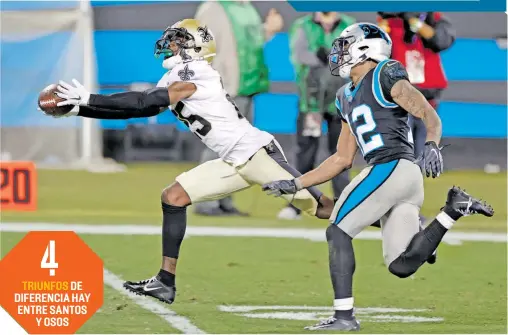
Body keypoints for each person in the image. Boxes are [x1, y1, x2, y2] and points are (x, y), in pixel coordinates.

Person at [48, 19, 334, 305]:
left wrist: (90, 98)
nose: (170, 45)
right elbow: (133, 109)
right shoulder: (176, 74)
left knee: (323, 209)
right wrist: (80, 109)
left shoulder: (196, 71)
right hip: (233, 161)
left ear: (195, 46)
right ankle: (164, 282)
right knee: (174, 197)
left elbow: (144, 102)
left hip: (257, 155)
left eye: (178, 40)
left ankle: (374, 215)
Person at [262, 23, 494, 331]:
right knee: (401, 265)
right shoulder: (344, 95)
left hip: (391, 167)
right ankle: (452, 210)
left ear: (365, 48)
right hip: (399, 178)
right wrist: (296, 183)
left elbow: (427, 112)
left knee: (338, 231)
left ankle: (344, 317)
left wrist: (432, 144)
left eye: (345, 46)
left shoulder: (386, 74)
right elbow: (342, 159)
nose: (339, 53)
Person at [192, 0, 284, 216]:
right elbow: (198, 49)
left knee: (235, 149)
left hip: (246, 86)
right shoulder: (214, 7)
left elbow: (248, 43)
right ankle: (205, 201)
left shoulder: (246, 7)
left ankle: (223, 200)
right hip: (224, 87)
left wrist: (268, 30)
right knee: (218, 145)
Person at [278, 12, 355, 220]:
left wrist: (328, 58)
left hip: (341, 101)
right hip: (311, 101)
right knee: (305, 153)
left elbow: (353, 59)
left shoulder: (349, 25)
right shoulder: (303, 25)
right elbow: (299, 55)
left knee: (342, 154)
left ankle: (342, 204)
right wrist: (327, 58)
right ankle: (297, 205)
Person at [377, 12, 455, 158]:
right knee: (400, 145)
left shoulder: (433, 18)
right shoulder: (391, 21)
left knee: (423, 142)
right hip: (400, 92)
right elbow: (377, 47)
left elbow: (442, 41)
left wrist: (416, 22)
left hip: (427, 91)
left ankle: (417, 174)